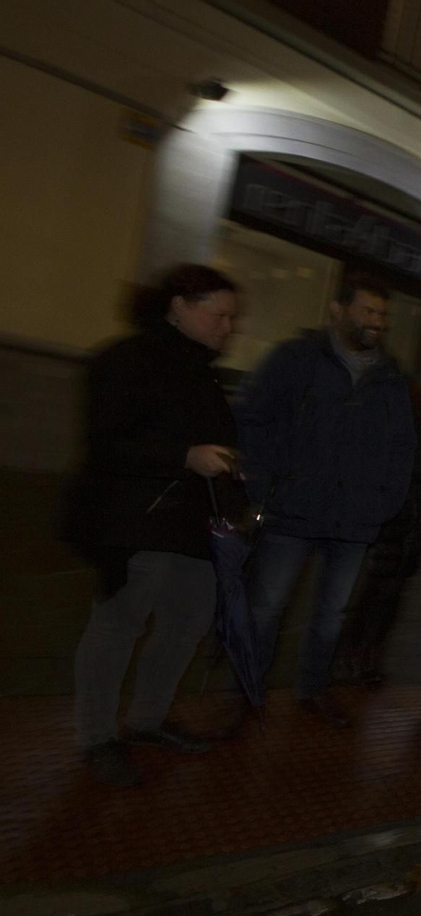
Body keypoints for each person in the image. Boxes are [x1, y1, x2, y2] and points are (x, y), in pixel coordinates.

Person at [60, 265, 243, 787]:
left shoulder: (202, 371)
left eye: (232, 318)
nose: (228, 328)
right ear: (179, 305)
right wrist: (184, 455)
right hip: (134, 521)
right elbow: (107, 444)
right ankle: (97, 736)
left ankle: (147, 720)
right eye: (220, 315)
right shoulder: (126, 359)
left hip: (194, 525)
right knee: (117, 627)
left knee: (187, 624)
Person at [234, 272, 416, 727]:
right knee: (266, 607)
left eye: (382, 315)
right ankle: (247, 691)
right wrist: (264, 486)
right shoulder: (295, 359)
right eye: (368, 311)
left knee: (331, 614)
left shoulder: (391, 378)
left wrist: (383, 503)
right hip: (291, 510)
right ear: (338, 311)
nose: (376, 321)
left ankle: (312, 690)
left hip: (354, 520)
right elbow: (252, 421)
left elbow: (402, 447)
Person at [339, 379, 421, 685]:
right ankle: (352, 654)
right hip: (389, 527)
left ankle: (371, 654)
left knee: (392, 599)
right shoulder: (404, 431)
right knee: (372, 595)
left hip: (418, 534)